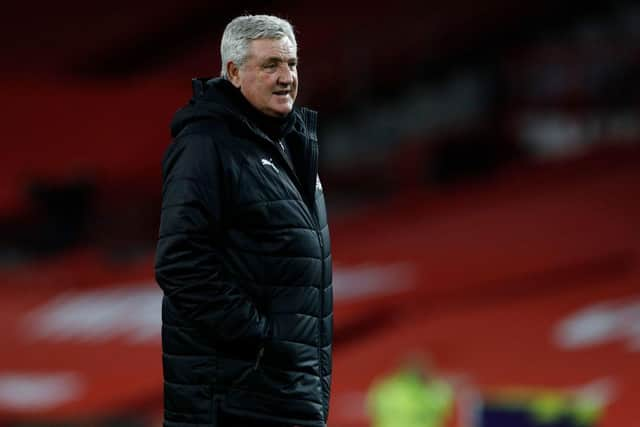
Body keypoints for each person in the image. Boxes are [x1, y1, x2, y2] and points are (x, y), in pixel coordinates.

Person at [154, 15, 333, 427]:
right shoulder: (205, 145)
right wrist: (261, 340)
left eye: (292, 64)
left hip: (285, 390)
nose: (287, 76)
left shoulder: (291, 144)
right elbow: (181, 262)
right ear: (233, 72)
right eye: (270, 65)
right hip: (236, 398)